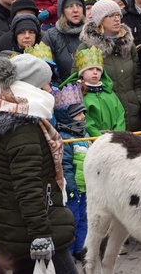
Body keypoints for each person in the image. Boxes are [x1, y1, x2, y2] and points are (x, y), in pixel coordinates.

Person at [0, 54, 76, 273]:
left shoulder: (16, 118)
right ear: (30, 87)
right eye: (45, 84)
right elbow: (27, 186)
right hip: (32, 230)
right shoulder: (22, 128)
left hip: (19, 227)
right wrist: (41, 235)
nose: (50, 90)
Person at [75, 0, 141, 132]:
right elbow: (78, 83)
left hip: (132, 113)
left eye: (118, 15)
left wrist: (138, 100)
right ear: (100, 20)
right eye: (110, 16)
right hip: (103, 119)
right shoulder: (87, 47)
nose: (117, 19)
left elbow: (137, 78)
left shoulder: (129, 46)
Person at [53, 84, 89, 261]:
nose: (83, 117)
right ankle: (68, 252)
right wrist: (71, 188)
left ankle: (81, 249)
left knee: (84, 220)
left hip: (85, 188)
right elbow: (65, 166)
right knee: (71, 221)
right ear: (67, 117)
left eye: (83, 113)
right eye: (79, 113)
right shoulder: (65, 139)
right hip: (73, 190)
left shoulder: (85, 135)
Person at [61, 48, 125, 138]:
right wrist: (100, 138)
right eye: (90, 69)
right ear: (82, 73)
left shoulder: (110, 93)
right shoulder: (77, 96)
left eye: (98, 70)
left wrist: (117, 136)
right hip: (92, 141)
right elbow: (86, 122)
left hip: (115, 139)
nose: (95, 72)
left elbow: (120, 116)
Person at [41, 0, 86, 79]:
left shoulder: (92, 33)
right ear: (62, 11)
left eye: (79, 5)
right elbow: (46, 69)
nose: (75, 10)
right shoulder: (51, 36)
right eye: (69, 6)